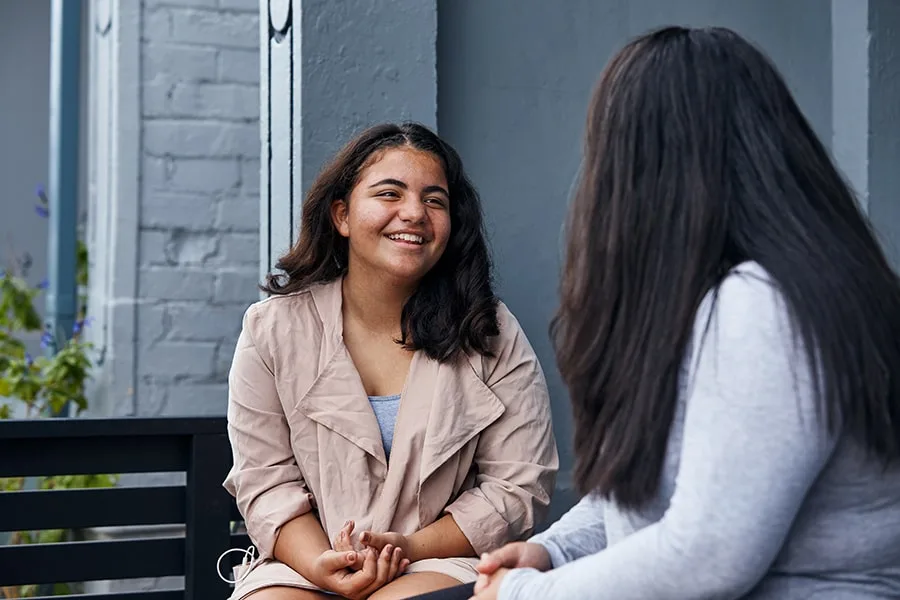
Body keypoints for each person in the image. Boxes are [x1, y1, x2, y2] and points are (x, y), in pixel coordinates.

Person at [451, 25, 900, 600]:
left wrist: (523, 595)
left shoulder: (764, 305)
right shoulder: (762, 292)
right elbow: (668, 482)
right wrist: (554, 550)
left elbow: (707, 555)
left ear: (644, 171)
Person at [222, 122, 559, 600]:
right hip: (304, 565)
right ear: (341, 215)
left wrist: (408, 547)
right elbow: (266, 482)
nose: (414, 214)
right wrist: (323, 566)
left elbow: (518, 484)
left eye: (435, 200)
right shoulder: (272, 331)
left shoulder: (490, 333)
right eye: (389, 193)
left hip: (440, 560)